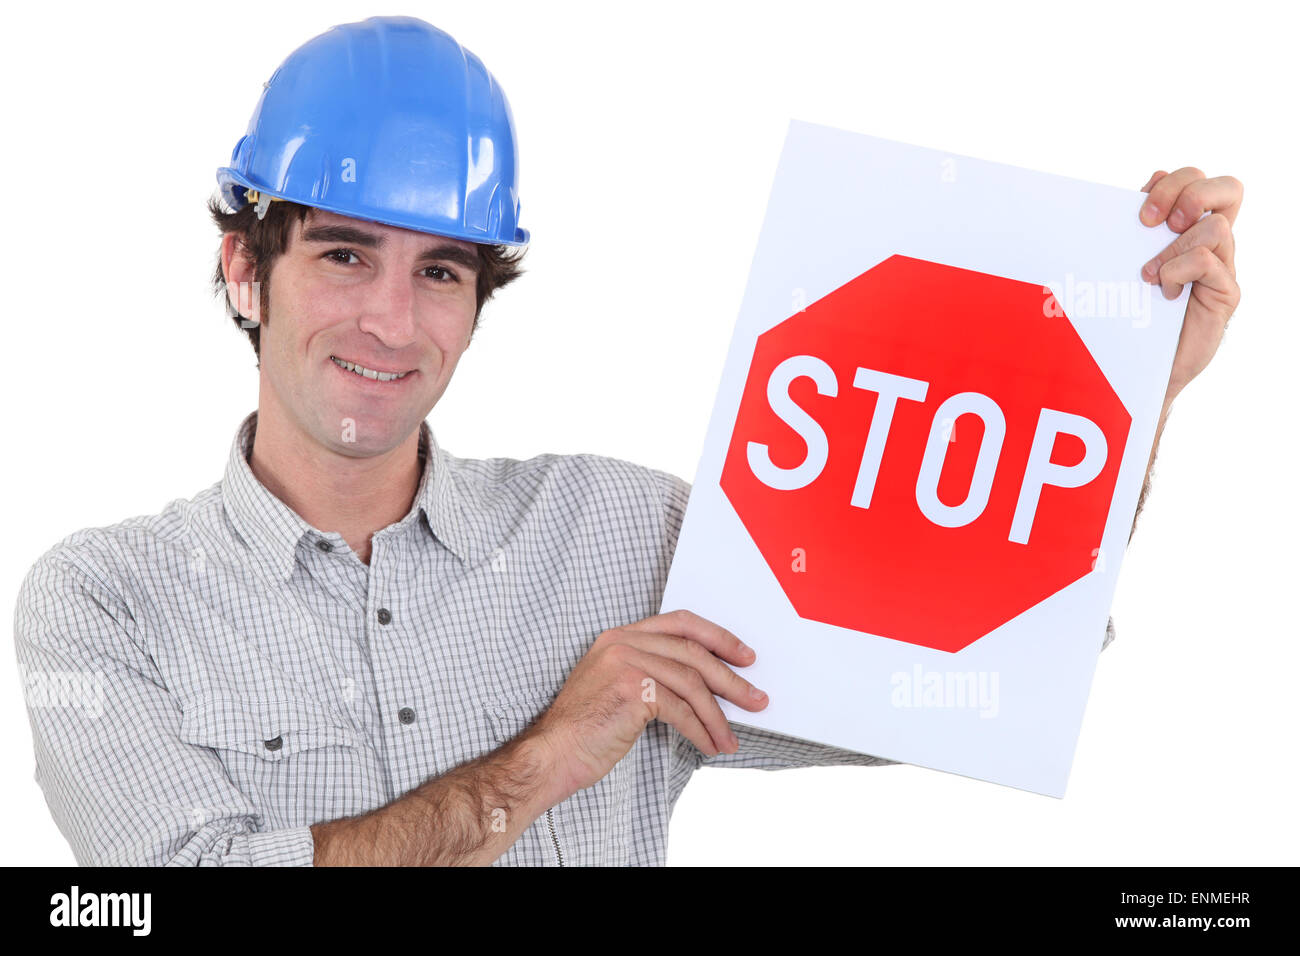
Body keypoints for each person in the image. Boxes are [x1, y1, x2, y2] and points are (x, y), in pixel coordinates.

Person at [13, 16, 1242, 867]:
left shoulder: (619, 536)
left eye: (440, 270)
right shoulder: (106, 600)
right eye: (344, 253)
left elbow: (968, 672)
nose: (392, 320)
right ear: (246, 266)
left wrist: (1127, 388)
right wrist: (550, 751)